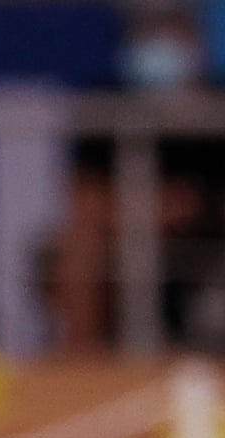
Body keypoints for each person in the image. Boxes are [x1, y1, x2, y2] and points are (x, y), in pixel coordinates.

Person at [48, 3, 225, 351]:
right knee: (79, 244)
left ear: (195, 40)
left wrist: (160, 210)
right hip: (119, 241)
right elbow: (83, 200)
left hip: (202, 245)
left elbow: (195, 206)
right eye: (148, 33)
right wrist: (149, 209)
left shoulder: (216, 109)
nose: (159, 46)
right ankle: (79, 367)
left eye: (169, 32)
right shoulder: (103, 106)